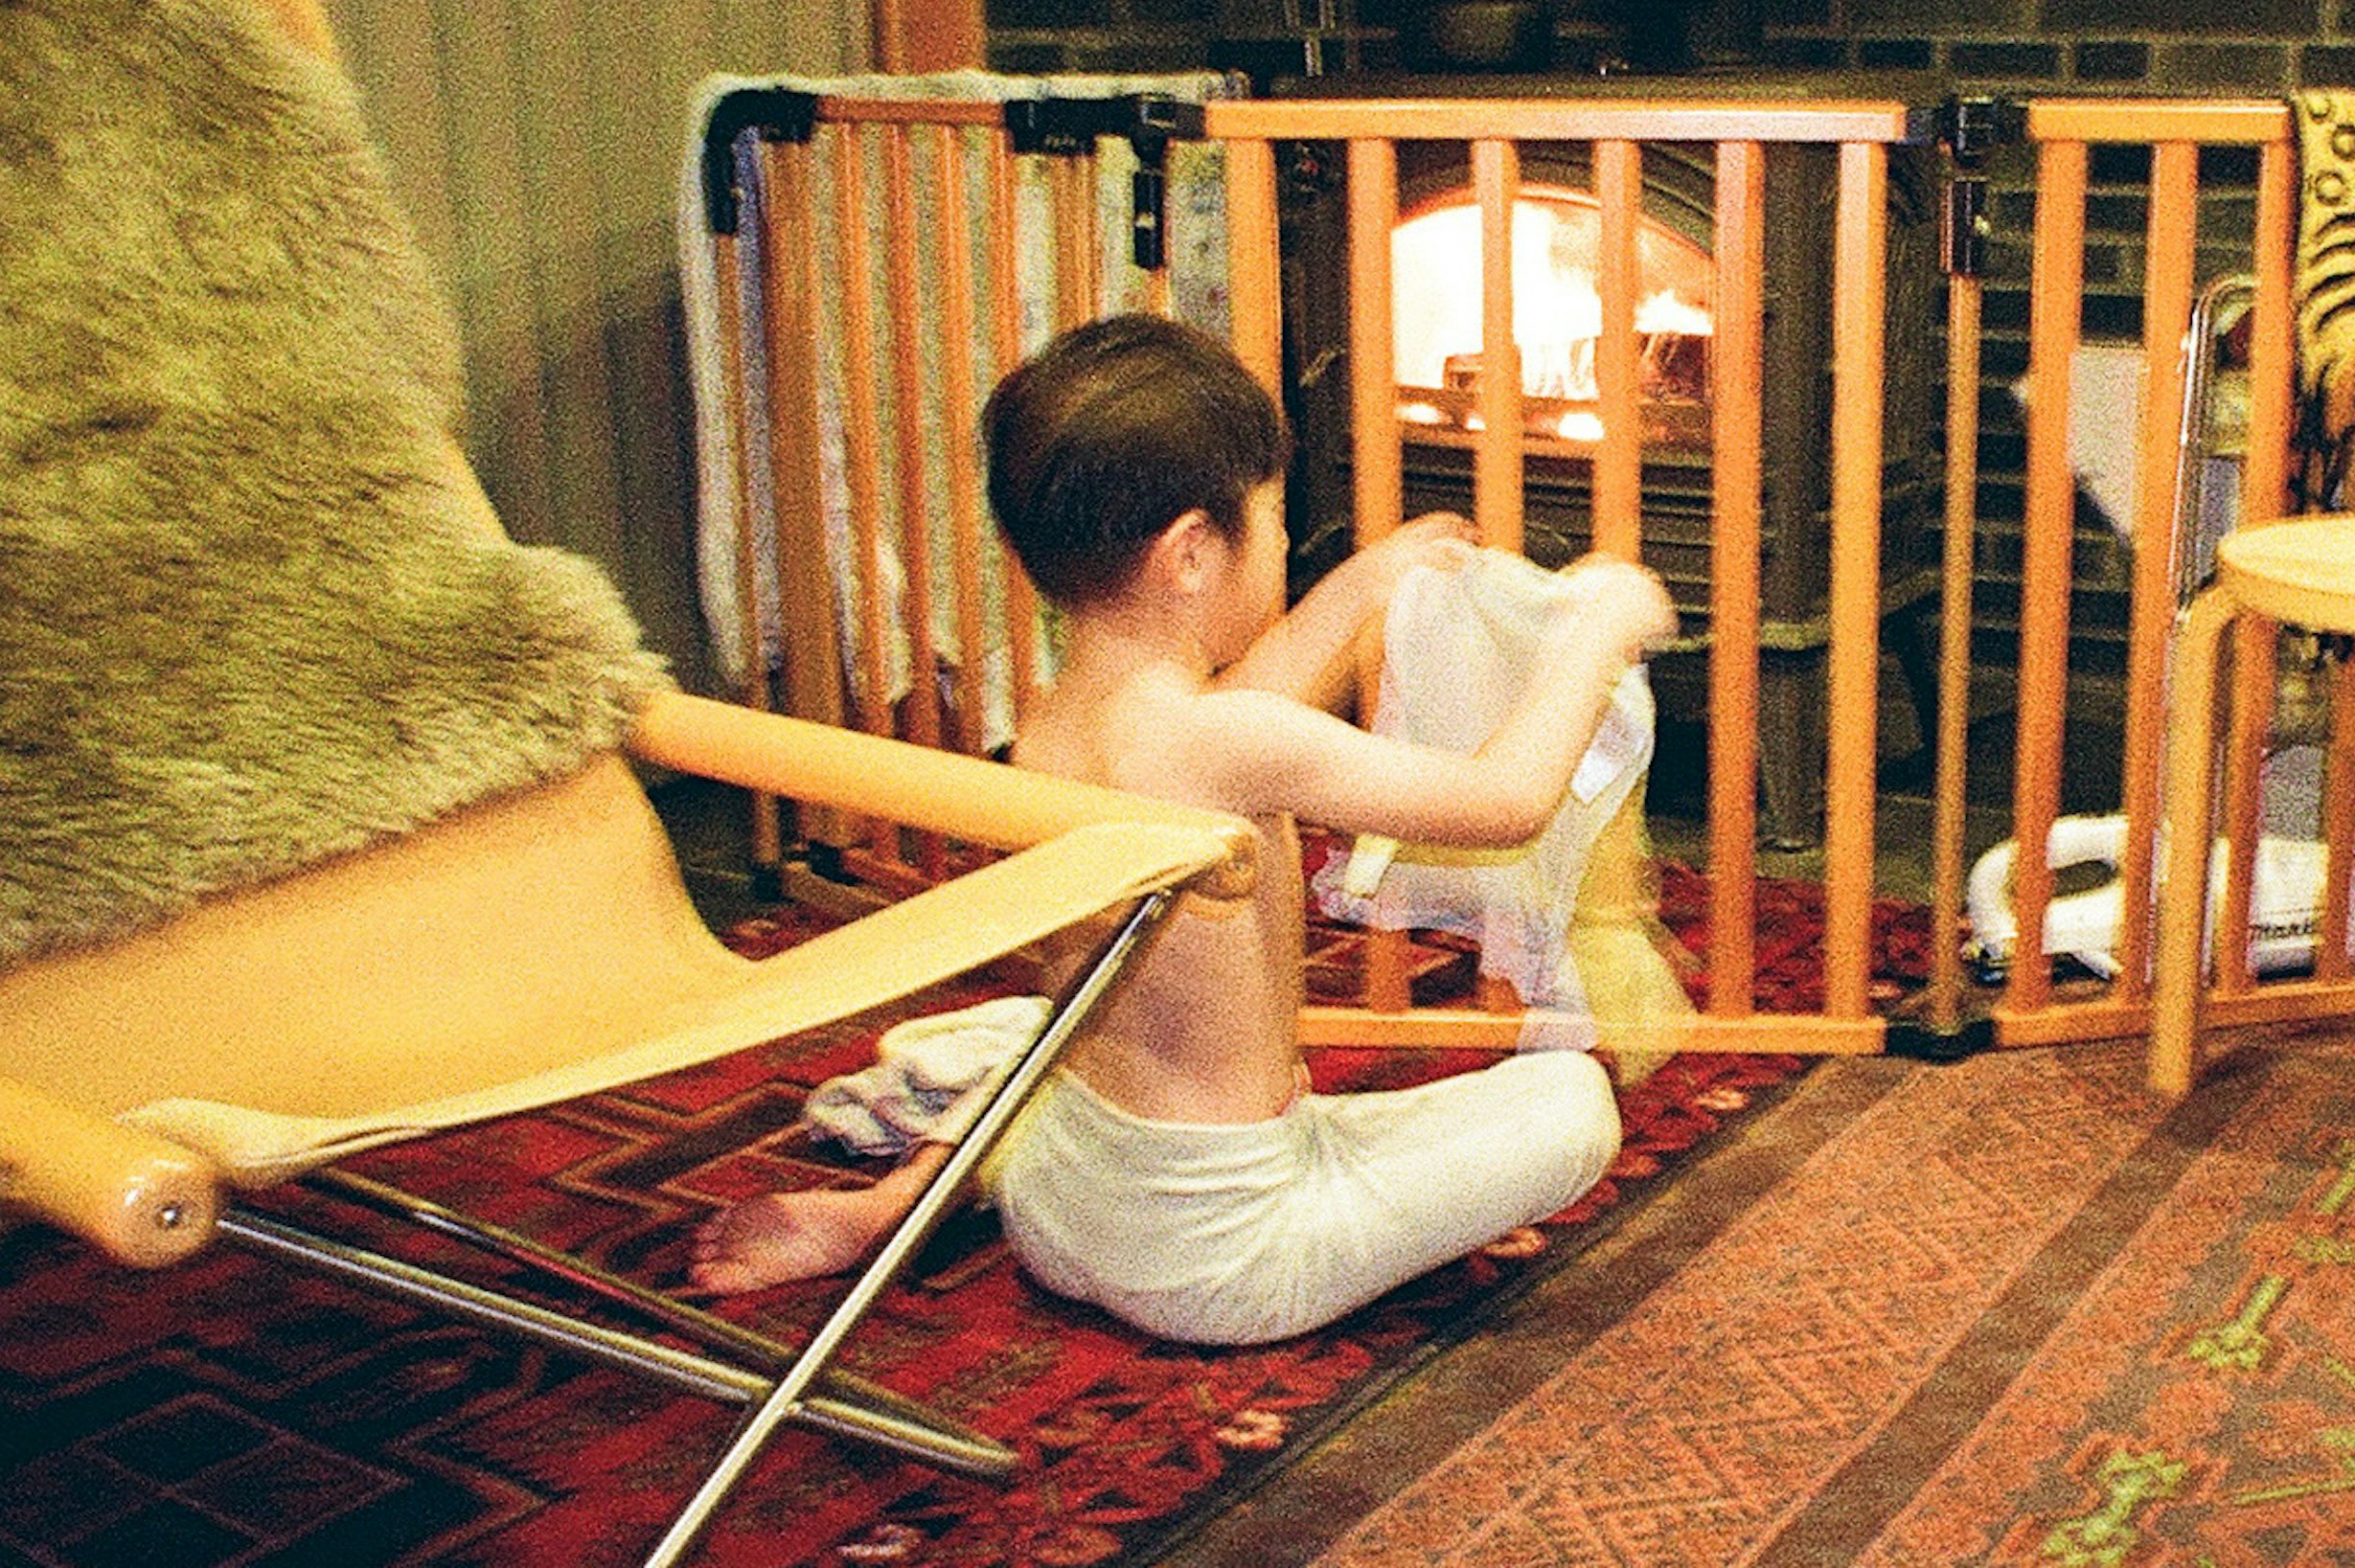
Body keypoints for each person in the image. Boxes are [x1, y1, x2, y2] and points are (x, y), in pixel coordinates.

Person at [689, 312, 1675, 1347]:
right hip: (1221, 1252)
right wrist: (1600, 629)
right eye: (1274, 515)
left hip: (1060, 1195)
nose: (1286, 540)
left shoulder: (1055, 717)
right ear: (1194, 552)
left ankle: (891, 1208)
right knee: (1570, 1103)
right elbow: (1505, 800)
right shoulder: (1225, 739)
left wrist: (1371, 578)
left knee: (1039, 1034)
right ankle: (930, 1203)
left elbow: (1241, 719)